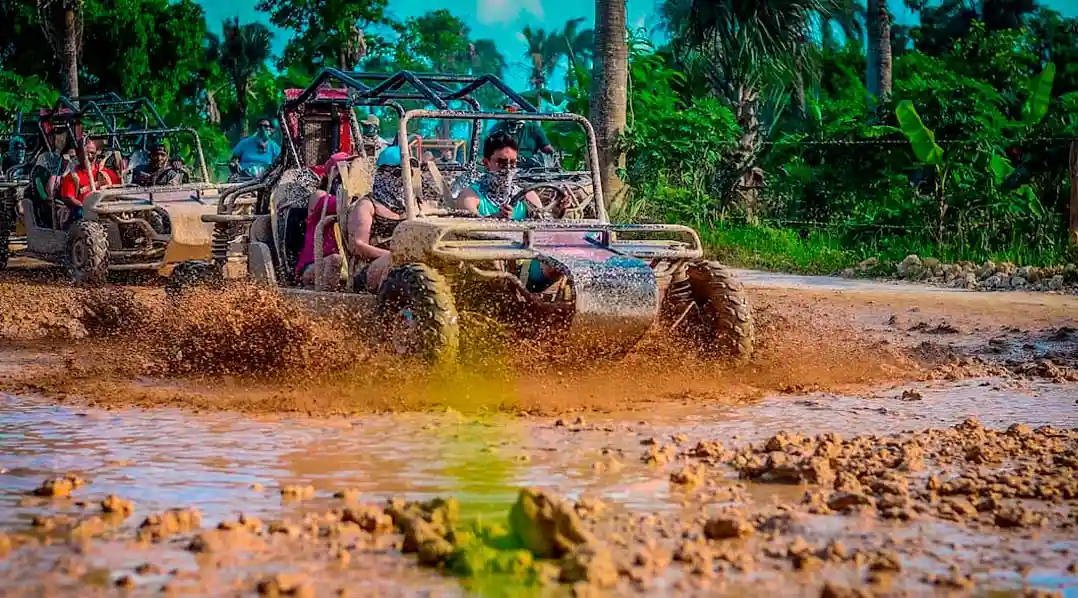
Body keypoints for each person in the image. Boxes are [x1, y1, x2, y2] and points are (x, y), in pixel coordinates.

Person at [347, 145, 408, 293]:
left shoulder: (412, 205)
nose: (403, 180)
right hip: (371, 268)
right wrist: (393, 257)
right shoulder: (367, 205)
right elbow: (358, 245)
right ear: (384, 174)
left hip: (406, 265)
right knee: (394, 265)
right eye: (398, 174)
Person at [455, 131, 544, 221]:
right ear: (486, 163)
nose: (508, 169)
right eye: (502, 163)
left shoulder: (528, 197)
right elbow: (468, 228)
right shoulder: (470, 197)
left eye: (513, 163)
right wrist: (494, 219)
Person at [294, 159, 346, 291]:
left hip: (345, 267)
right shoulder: (319, 195)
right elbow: (342, 205)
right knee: (335, 260)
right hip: (313, 264)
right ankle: (326, 302)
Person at [58, 139, 120, 227]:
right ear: (79, 155)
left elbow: (118, 190)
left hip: (107, 211)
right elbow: (68, 198)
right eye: (86, 153)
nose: (89, 156)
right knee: (80, 212)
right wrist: (86, 207)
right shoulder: (73, 175)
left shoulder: (107, 173)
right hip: (83, 215)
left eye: (92, 153)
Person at [488, 103, 554, 166]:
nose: (512, 112)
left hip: (529, 168)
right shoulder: (499, 127)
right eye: (510, 109)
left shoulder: (533, 128)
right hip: (505, 165)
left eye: (515, 110)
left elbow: (547, 148)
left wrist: (554, 156)